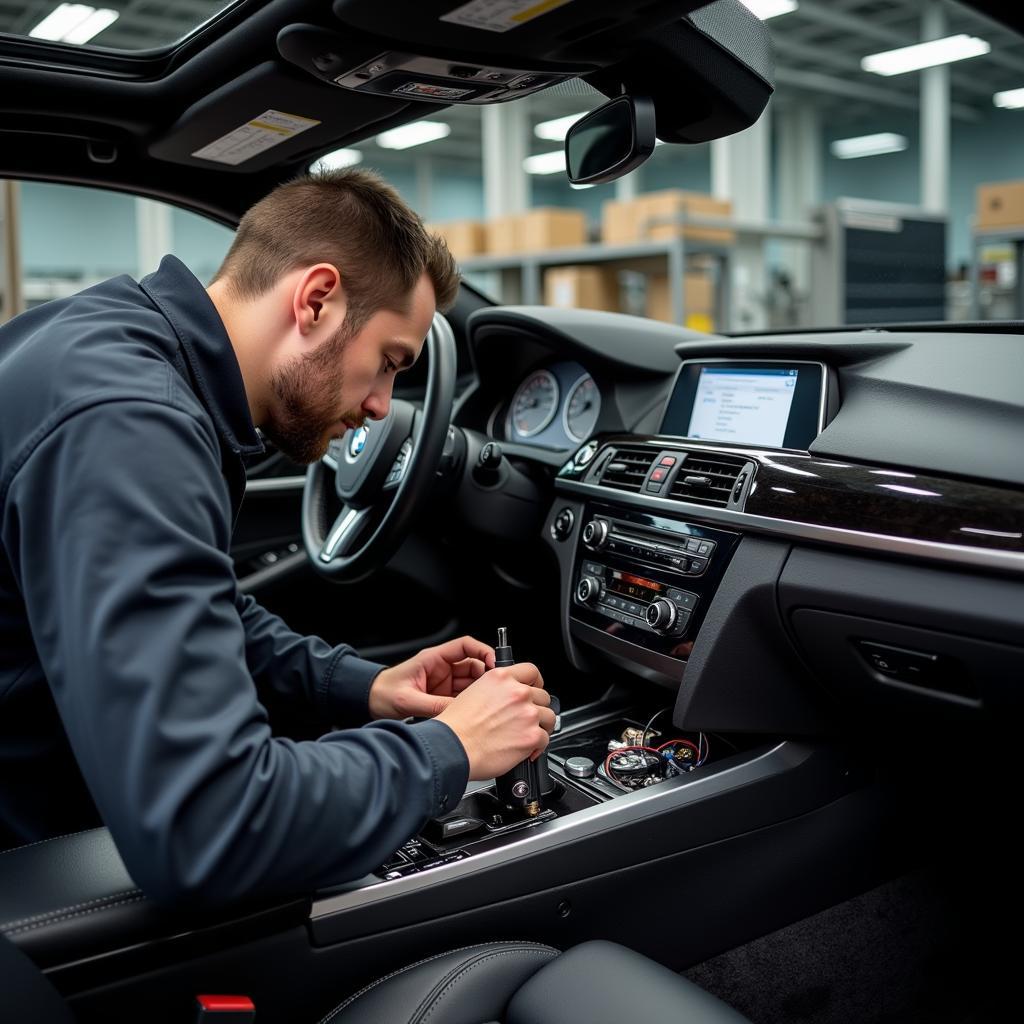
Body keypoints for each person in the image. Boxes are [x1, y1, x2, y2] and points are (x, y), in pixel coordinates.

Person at [0, 168, 554, 906]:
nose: (383, 406)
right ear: (316, 300)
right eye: (389, 362)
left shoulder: (117, 343)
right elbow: (210, 830)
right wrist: (448, 752)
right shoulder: (131, 429)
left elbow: (201, 605)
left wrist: (366, 688)